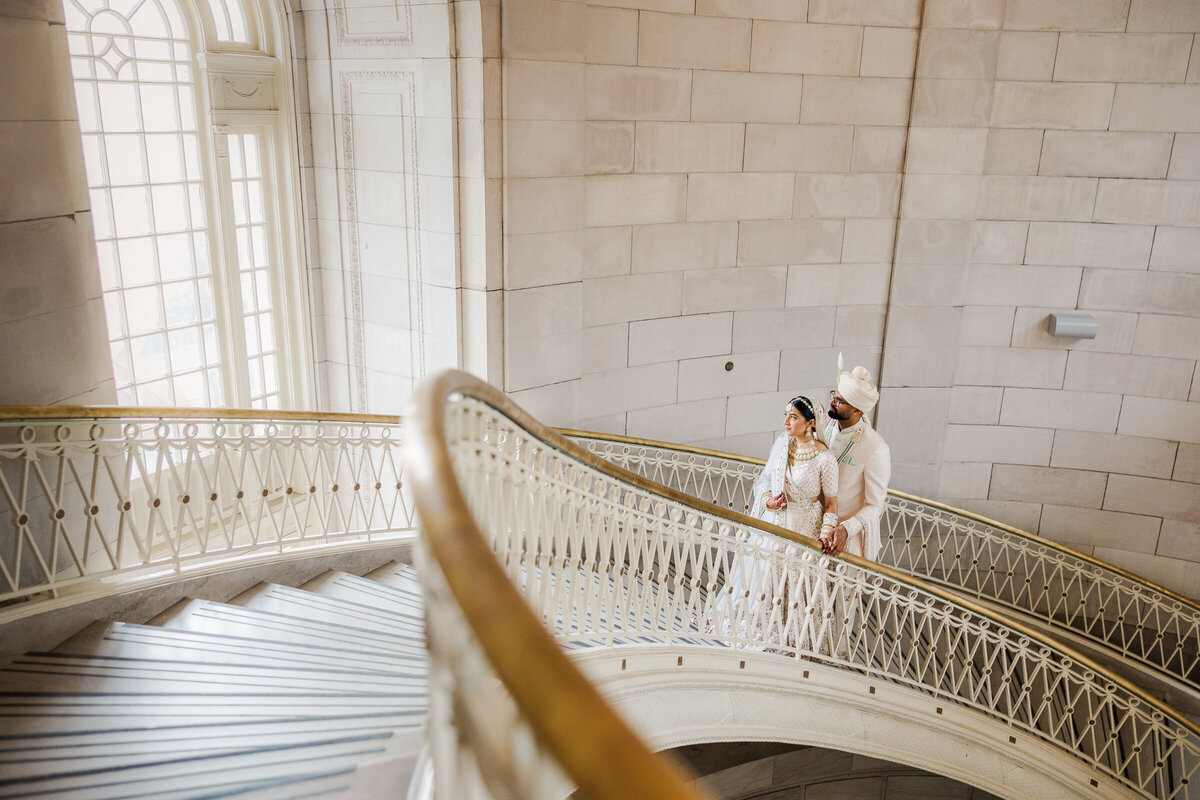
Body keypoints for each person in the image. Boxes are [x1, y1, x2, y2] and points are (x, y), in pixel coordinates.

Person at [818, 360, 891, 560]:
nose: (833, 402)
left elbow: (875, 506)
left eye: (840, 401)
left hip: (844, 541)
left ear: (858, 410)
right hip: (814, 527)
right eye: (835, 396)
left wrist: (845, 529)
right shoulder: (825, 426)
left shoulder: (876, 448)